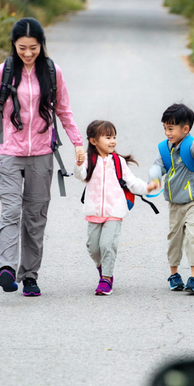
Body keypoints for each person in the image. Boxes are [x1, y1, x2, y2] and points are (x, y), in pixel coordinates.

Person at [0, 17, 85, 297]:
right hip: (9, 153)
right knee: (11, 211)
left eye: (34, 48)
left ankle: (30, 276)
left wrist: (77, 142)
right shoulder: (3, 72)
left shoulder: (51, 71)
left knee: (35, 217)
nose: (28, 53)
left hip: (41, 153)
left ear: (42, 45)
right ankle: (6, 269)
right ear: (14, 45)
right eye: (22, 47)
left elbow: (64, 110)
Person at [74, 120, 159, 296]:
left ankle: (106, 278)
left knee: (107, 245)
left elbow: (132, 182)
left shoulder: (118, 161)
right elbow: (81, 175)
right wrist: (79, 163)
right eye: (107, 137)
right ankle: (102, 269)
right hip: (93, 211)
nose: (113, 141)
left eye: (114, 137)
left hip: (114, 211)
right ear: (93, 141)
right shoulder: (90, 161)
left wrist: (147, 187)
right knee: (93, 247)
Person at [149, 103, 194, 295]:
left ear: (185, 129)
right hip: (175, 203)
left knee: (193, 235)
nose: (167, 132)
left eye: (171, 128)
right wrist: (154, 179)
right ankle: (174, 274)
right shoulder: (164, 148)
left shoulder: (192, 145)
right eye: (165, 128)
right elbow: (158, 166)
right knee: (174, 238)